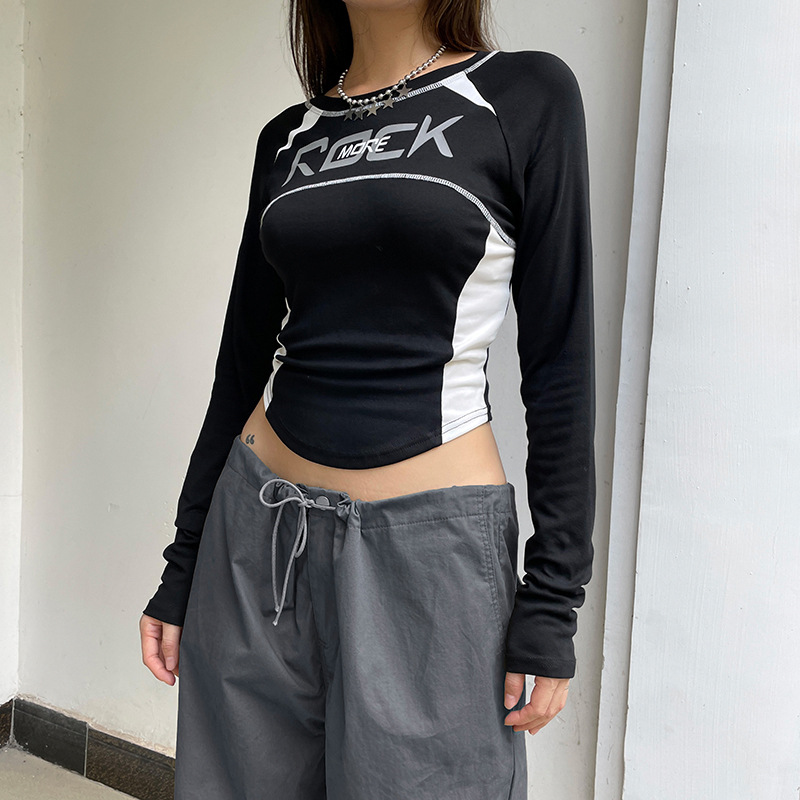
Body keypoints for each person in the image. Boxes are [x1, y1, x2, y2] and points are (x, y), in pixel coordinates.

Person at [139, 0, 596, 797]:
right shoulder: (289, 136)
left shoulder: (523, 95)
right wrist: (184, 562)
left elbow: (559, 362)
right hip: (256, 547)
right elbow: (240, 367)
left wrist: (554, 597)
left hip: (429, 564)